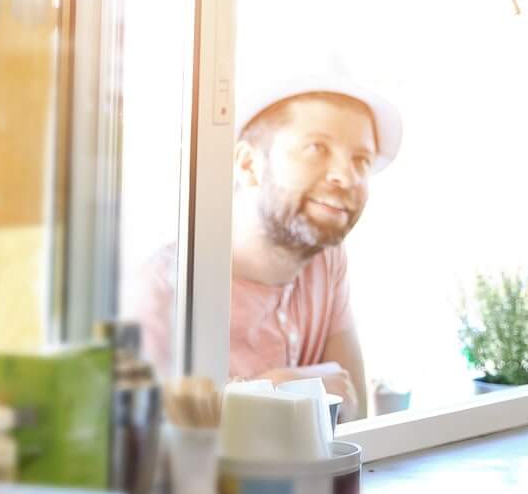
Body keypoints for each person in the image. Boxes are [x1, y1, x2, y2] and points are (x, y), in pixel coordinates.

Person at [133, 61, 402, 422]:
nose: (346, 176)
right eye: (317, 148)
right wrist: (277, 388)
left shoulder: (327, 261)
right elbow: (147, 444)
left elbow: (352, 412)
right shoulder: (163, 287)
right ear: (247, 165)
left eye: (361, 159)